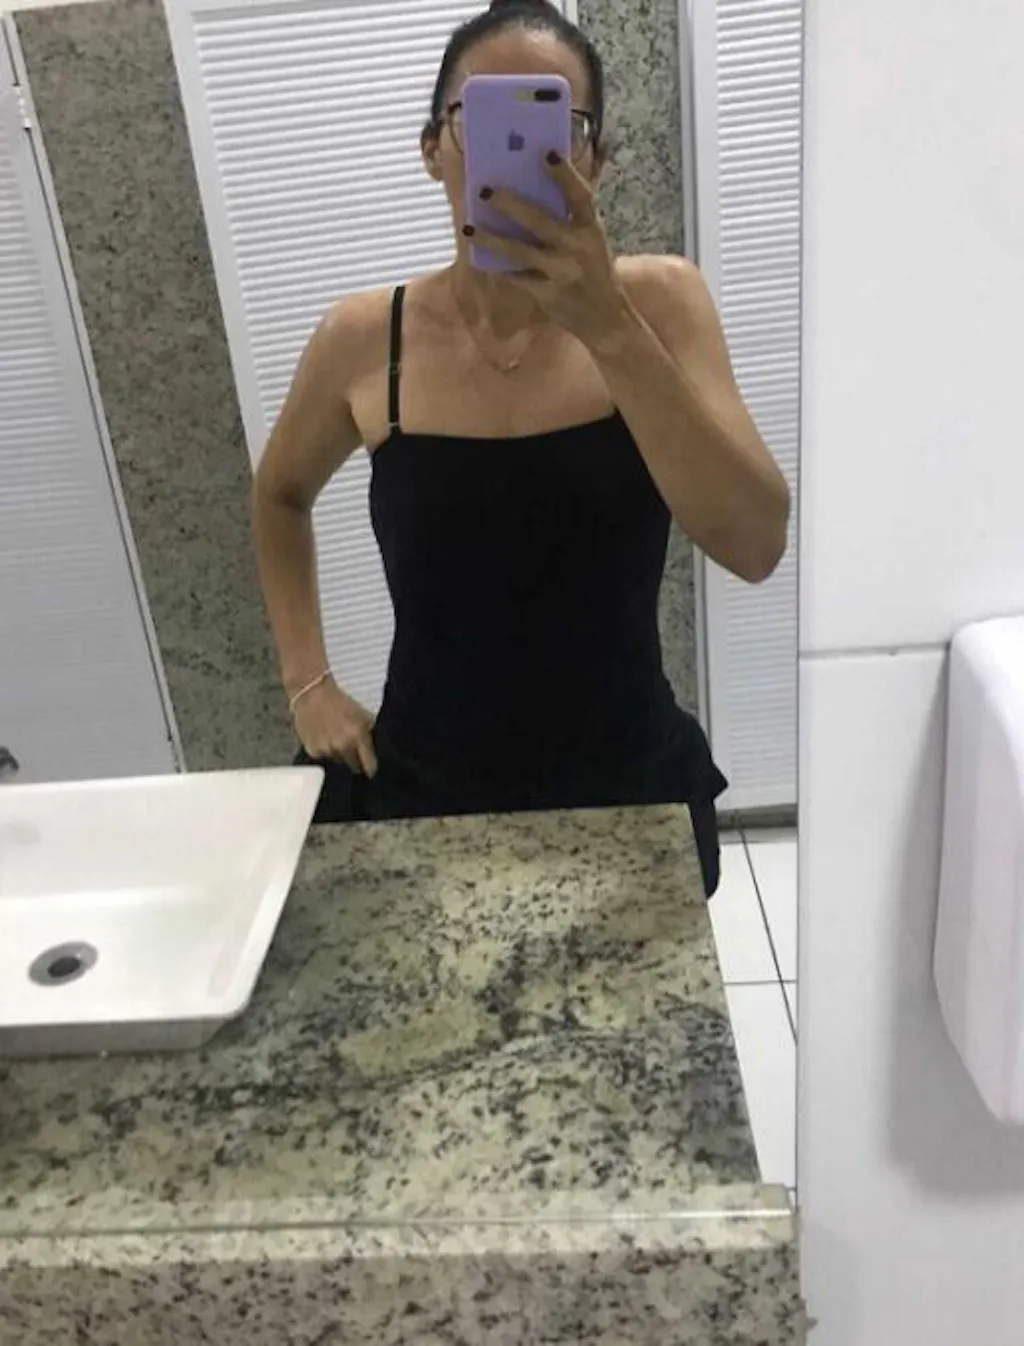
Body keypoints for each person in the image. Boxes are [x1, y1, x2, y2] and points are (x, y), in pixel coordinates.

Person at [251, 0, 790, 897]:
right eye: (479, 117)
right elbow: (279, 496)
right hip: (425, 785)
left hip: (628, 789)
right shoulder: (365, 338)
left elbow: (756, 542)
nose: (515, 149)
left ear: (594, 160)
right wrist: (308, 680)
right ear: (434, 148)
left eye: (555, 124)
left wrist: (606, 324)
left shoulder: (661, 304)